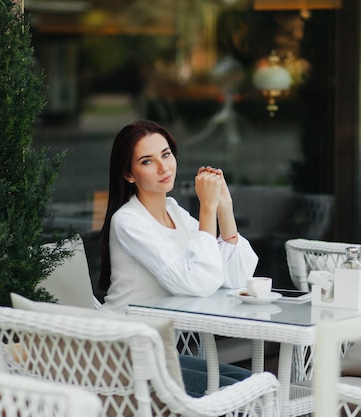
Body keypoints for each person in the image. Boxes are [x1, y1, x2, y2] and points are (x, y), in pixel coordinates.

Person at [97, 119, 259, 397]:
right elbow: (199, 282)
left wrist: (224, 207)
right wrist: (207, 208)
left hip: (158, 350)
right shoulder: (128, 221)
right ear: (129, 175)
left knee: (258, 385)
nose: (163, 167)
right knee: (242, 397)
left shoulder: (174, 210)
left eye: (166, 154)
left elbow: (234, 277)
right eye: (147, 161)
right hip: (122, 352)